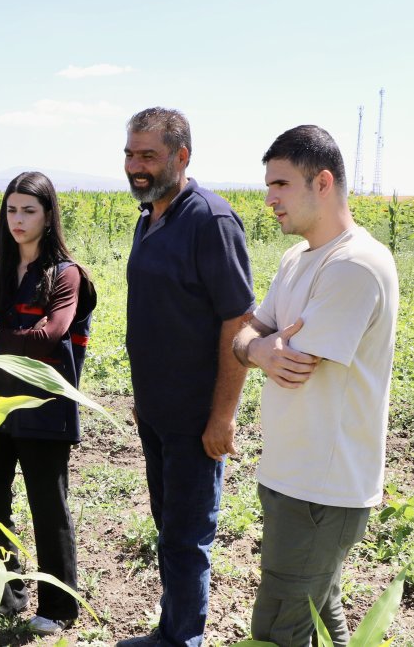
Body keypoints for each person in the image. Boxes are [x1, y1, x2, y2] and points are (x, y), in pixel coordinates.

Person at [231, 125, 398, 647]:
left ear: (322, 182)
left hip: (321, 489)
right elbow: (250, 336)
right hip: (292, 474)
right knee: (320, 608)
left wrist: (264, 345)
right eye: (268, 185)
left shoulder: (354, 265)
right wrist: (259, 348)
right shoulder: (298, 258)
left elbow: (297, 359)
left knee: (280, 627)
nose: (269, 198)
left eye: (280, 184)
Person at [119, 108, 256, 647]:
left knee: (187, 537)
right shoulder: (150, 216)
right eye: (130, 153)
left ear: (182, 157)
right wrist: (143, 399)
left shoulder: (210, 221)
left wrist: (222, 417)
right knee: (168, 529)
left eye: (148, 155)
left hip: (197, 418)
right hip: (157, 411)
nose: (135, 166)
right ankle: (170, 631)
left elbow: (237, 321)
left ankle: (183, 640)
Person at [0, 171, 97, 637]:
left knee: (47, 505)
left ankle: (58, 607)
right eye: (12, 210)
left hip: (44, 409)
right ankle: (3, 595)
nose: (18, 220)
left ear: (48, 215)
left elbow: (48, 339)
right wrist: (5, 338)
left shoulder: (66, 275)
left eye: (29, 211)